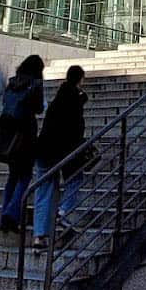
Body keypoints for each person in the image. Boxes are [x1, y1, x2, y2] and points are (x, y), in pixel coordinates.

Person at [32, 64, 88, 252]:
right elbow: (76, 130)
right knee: (76, 178)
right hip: (61, 150)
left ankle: (39, 236)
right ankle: (62, 211)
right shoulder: (75, 101)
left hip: (44, 148)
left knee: (43, 190)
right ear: (80, 80)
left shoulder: (57, 99)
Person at [0, 54, 45, 233]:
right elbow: (38, 108)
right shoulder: (35, 84)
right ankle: (11, 213)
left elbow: (6, 103)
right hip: (26, 133)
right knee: (25, 176)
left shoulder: (12, 82)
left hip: (8, 133)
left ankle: (4, 216)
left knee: (12, 177)